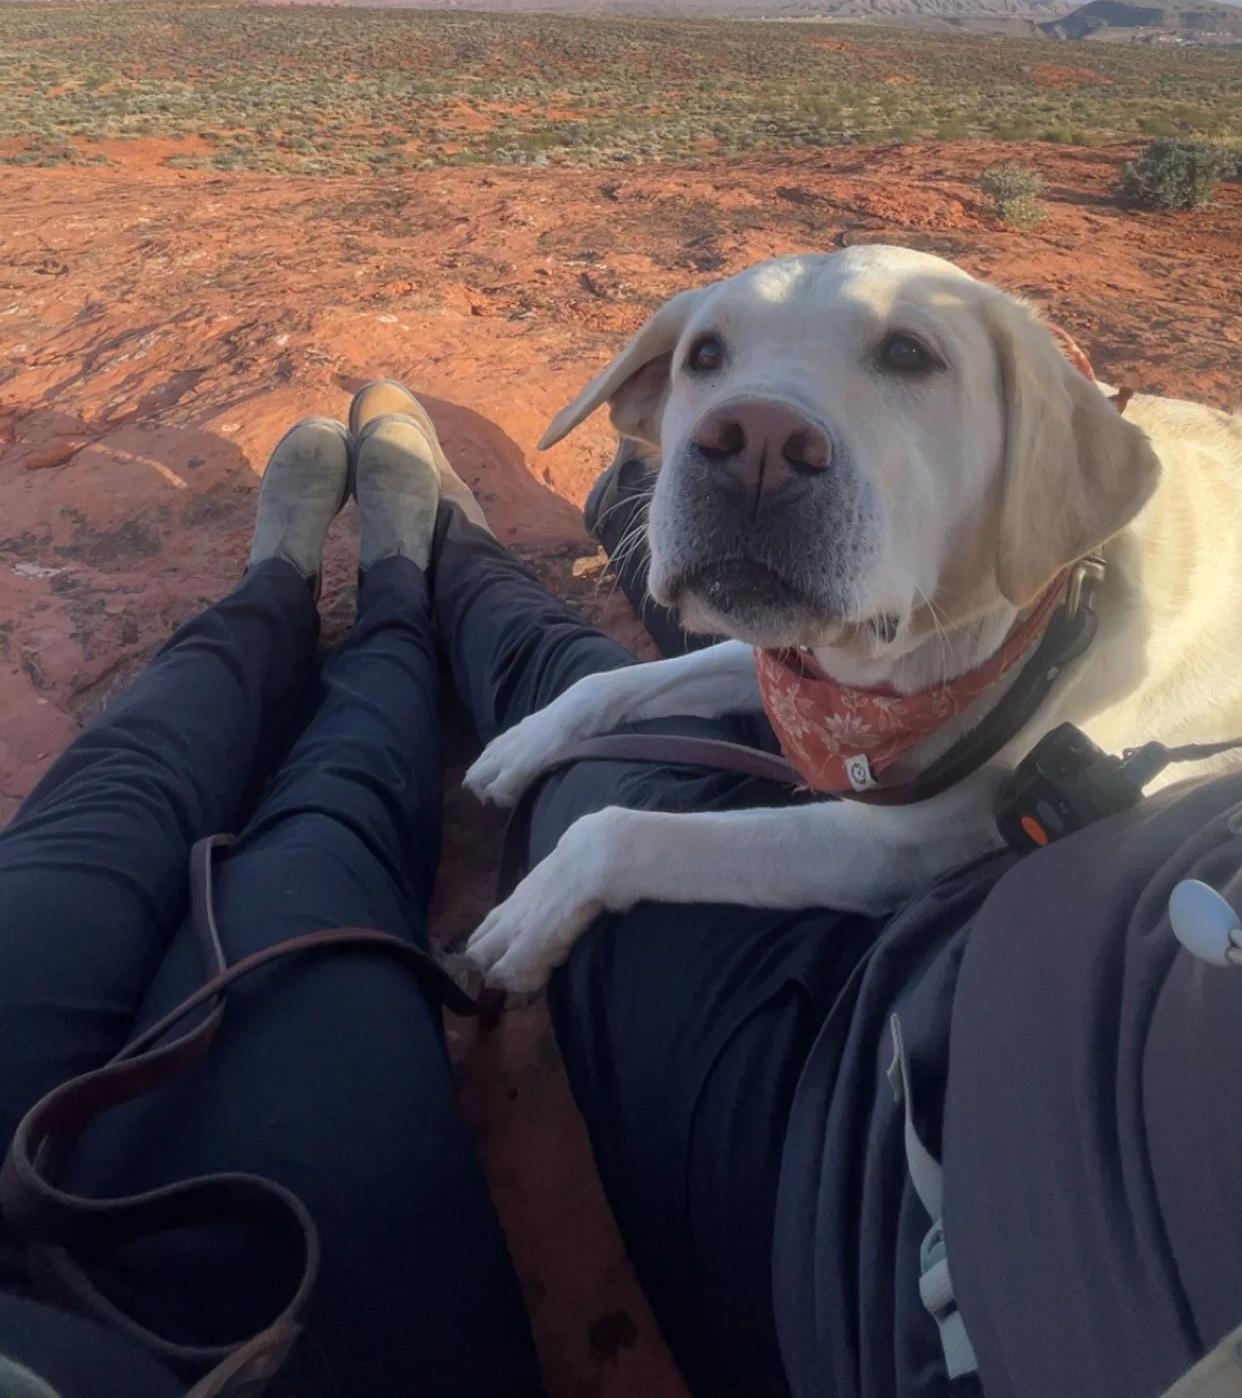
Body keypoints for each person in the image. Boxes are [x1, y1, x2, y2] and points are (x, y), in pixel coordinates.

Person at [3, 387, 1241, 1398]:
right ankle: (447, 568)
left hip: (878, 1215)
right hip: (981, 1003)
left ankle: (322, 593)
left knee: (145, 800)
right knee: (544, 711)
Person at [0, 389, 544, 1398]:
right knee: (328, 836)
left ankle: (277, 592)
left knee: (117, 793)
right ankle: (395, 601)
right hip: (257, 1347)